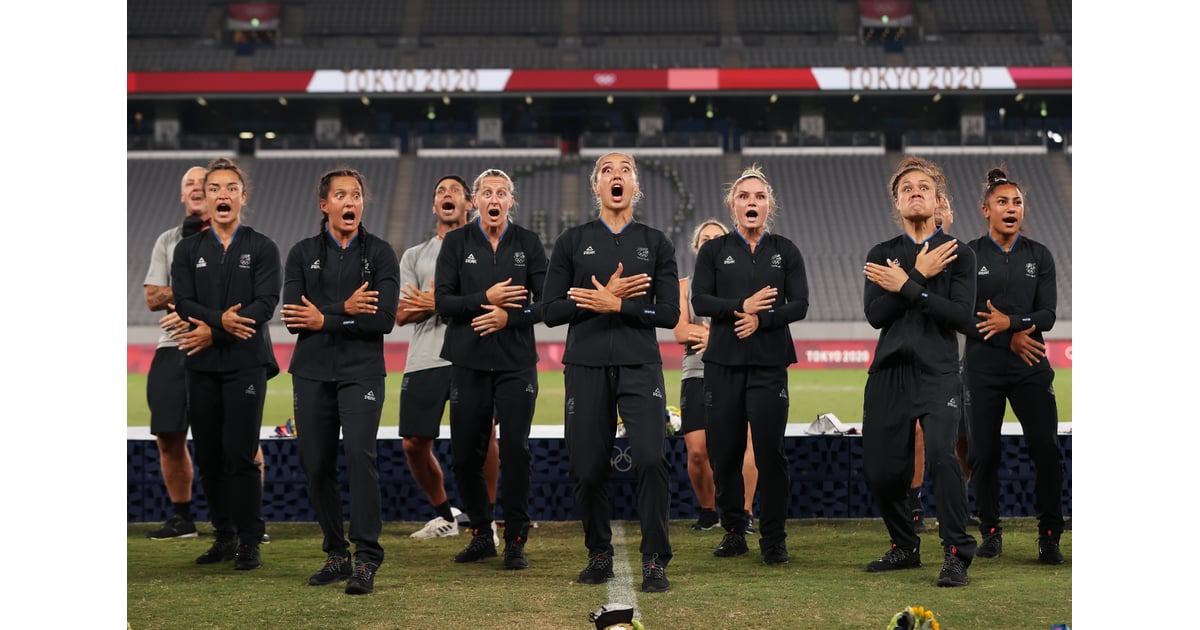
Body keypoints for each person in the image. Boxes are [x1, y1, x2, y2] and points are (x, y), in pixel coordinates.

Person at [542, 151, 678, 593]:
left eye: (625, 171)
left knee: (652, 458)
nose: (616, 176)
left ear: (636, 187)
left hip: (640, 363)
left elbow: (671, 312)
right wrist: (592, 299)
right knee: (586, 467)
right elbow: (548, 311)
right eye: (607, 171)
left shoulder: (656, 242)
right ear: (595, 186)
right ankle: (599, 552)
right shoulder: (571, 240)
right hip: (585, 364)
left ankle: (655, 559)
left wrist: (619, 304)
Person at [281, 167, 400, 594]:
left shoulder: (382, 253)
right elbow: (296, 317)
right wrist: (346, 309)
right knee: (316, 466)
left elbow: (383, 320)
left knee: (359, 458)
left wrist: (325, 317)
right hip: (310, 372)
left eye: (356, 195)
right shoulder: (300, 252)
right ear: (324, 204)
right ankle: (336, 553)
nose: (350, 203)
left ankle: (367, 558)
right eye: (341, 196)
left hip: (361, 373)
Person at [861, 155, 977, 587]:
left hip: (938, 370)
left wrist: (909, 284)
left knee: (944, 457)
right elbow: (876, 315)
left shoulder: (958, 254)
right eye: (906, 187)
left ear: (937, 197)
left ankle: (955, 553)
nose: (915, 192)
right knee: (880, 469)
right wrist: (918, 273)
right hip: (889, 372)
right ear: (896, 201)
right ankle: (905, 546)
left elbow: (961, 318)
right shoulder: (881, 253)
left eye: (923, 187)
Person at [691, 166, 809, 566]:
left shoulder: (786, 250)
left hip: (769, 365)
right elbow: (700, 301)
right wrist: (741, 307)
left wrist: (763, 319)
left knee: (770, 453)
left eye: (759, 197)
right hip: (722, 364)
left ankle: (774, 539)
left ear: (769, 205)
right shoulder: (713, 251)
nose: (752, 202)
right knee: (724, 453)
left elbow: (800, 304)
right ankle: (733, 530)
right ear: (733, 205)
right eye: (744, 197)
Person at [149, 167, 272, 544]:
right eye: (203, 186)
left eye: (228, 187)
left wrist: (210, 325)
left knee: (242, 444)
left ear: (240, 195)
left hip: (239, 352)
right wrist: (209, 313)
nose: (215, 194)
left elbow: (261, 302)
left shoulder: (257, 245)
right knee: (190, 445)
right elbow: (166, 298)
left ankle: (249, 528)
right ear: (189, 195)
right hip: (185, 350)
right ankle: (203, 526)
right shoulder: (176, 244)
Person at [435, 168, 548, 570]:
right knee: (466, 456)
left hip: (517, 364)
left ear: (510, 202)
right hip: (468, 362)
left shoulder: (528, 243)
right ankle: (482, 533)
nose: (494, 199)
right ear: (475, 202)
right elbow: (444, 303)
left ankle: (516, 538)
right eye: (487, 192)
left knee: (515, 450)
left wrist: (508, 317)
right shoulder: (456, 242)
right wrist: (486, 297)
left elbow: (547, 305)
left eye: (502, 193)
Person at [962, 167, 1066, 565]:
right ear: (985, 209)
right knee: (984, 455)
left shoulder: (1039, 256)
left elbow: (1048, 315)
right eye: (1002, 202)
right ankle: (990, 531)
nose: (1011, 208)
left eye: (1017, 202)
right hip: (983, 368)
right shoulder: (969, 255)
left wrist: (1015, 324)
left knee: (1046, 450)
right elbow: (963, 314)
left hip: (1031, 366)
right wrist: (1008, 336)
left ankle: (1050, 536)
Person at [397, 175, 500, 543]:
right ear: (434, 205)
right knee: (413, 442)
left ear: (469, 203)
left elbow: (491, 299)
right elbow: (401, 313)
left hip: (471, 354)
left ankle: (484, 519)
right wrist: (439, 302)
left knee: (483, 437)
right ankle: (444, 515)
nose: (447, 195)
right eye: (440, 191)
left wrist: (437, 301)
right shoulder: (414, 255)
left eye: (455, 190)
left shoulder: (487, 248)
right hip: (424, 357)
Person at [673, 219, 760, 534]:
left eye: (717, 238)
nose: (710, 243)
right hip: (696, 371)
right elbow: (681, 331)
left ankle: (745, 513)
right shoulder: (683, 286)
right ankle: (709, 511)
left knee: (747, 442)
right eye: (704, 239)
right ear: (696, 248)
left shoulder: (744, 285)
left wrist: (715, 336)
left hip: (736, 368)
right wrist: (722, 333)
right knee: (698, 450)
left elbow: (752, 328)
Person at [142, 165, 208, 540]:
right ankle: (183, 518)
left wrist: (183, 298)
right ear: (182, 195)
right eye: (189, 184)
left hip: (219, 345)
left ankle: (245, 519)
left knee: (236, 435)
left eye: (203, 183)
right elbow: (153, 297)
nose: (196, 188)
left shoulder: (232, 238)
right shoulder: (167, 239)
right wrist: (192, 291)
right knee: (168, 435)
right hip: (172, 346)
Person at [908, 190, 973, 535]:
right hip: (926, 365)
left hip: (961, 361)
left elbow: (965, 314)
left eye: (945, 206)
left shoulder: (964, 257)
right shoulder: (908, 255)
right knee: (923, 436)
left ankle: (960, 504)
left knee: (963, 441)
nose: (940, 211)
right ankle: (915, 504)